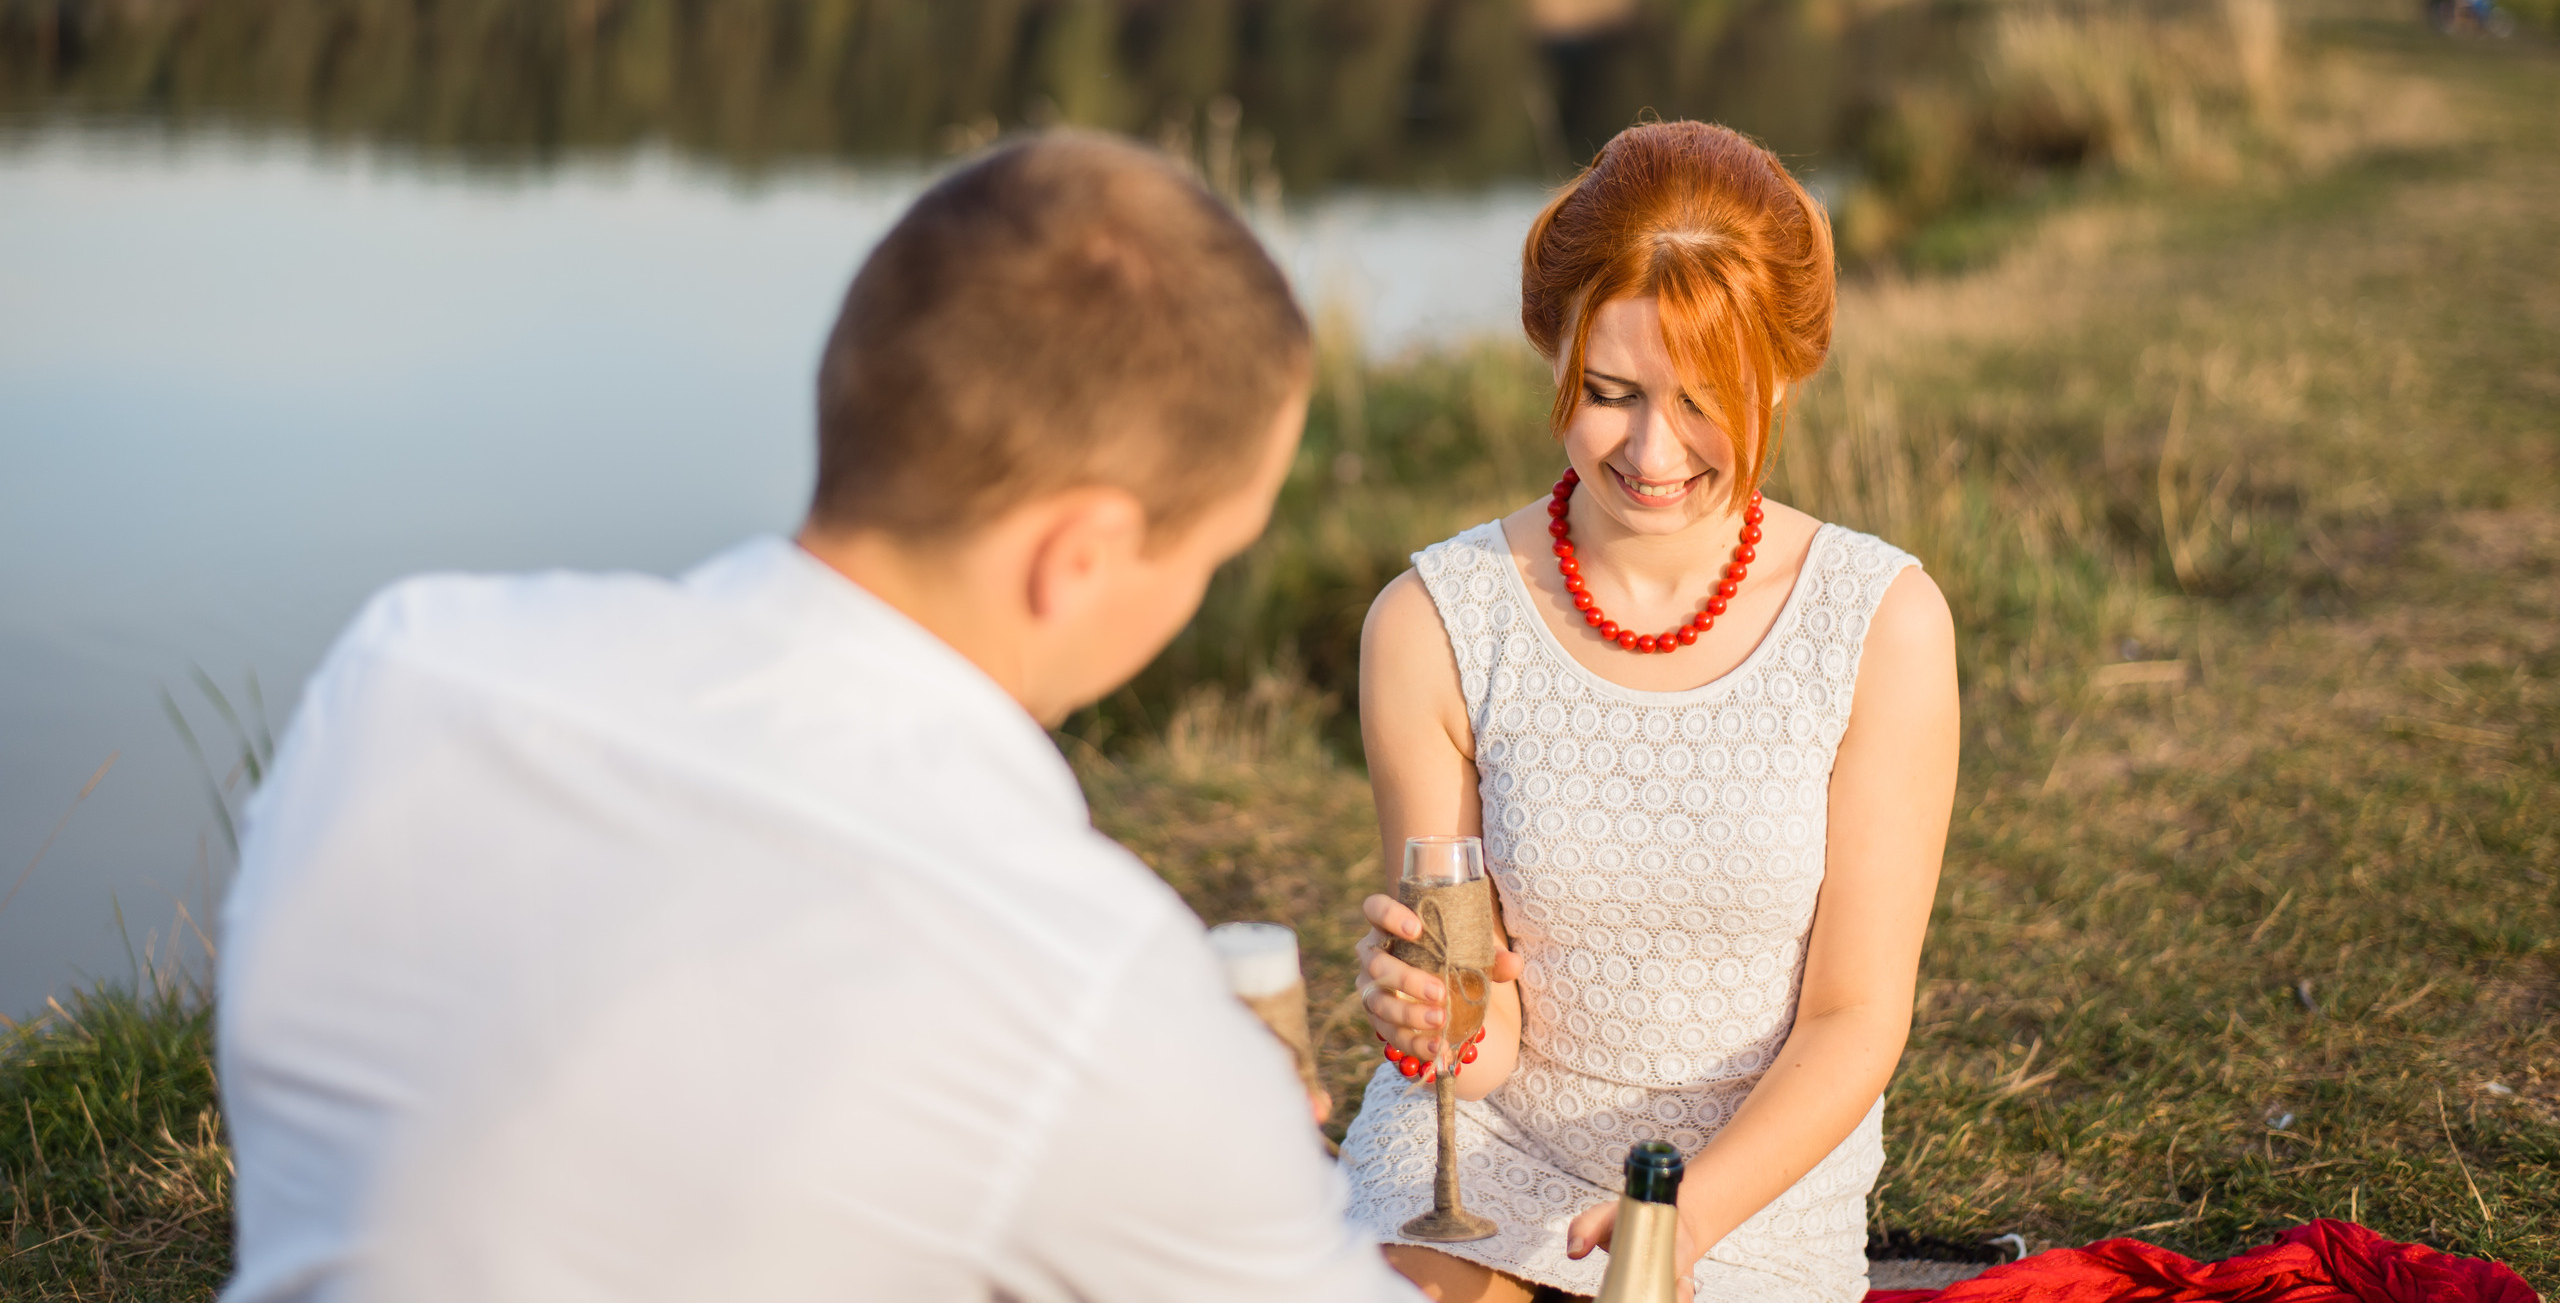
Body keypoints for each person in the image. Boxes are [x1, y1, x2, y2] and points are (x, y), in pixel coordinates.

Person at [216, 134, 1414, 1303]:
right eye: (1214, 549)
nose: (1201, 591)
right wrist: (1212, 1129)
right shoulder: (1082, 978)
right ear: (1082, 554)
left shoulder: (409, 664)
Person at [1336, 120, 1961, 1303]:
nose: (1652, 450)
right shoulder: (1434, 622)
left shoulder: (1882, 624)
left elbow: (1853, 1014)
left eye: (1703, 399)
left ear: (1782, 369)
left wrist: (1677, 1221)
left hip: (1747, 1193)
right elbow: (1485, 1032)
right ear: (1550, 347)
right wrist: (1439, 1020)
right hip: (1482, 1166)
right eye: (1607, 393)